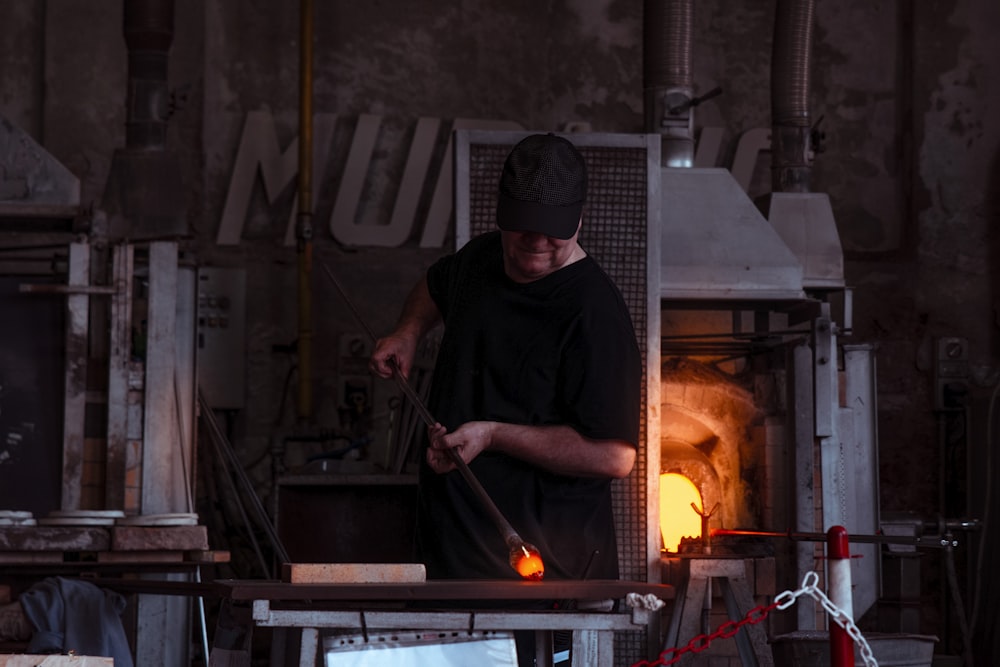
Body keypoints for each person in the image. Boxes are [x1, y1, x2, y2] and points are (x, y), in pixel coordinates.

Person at [369, 132, 641, 663]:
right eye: (523, 229)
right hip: (447, 568)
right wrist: (408, 331)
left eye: (552, 232)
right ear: (501, 215)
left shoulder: (594, 313)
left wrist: (493, 435)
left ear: (578, 220)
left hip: (543, 587)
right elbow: (434, 285)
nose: (536, 242)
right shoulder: (479, 261)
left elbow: (615, 456)